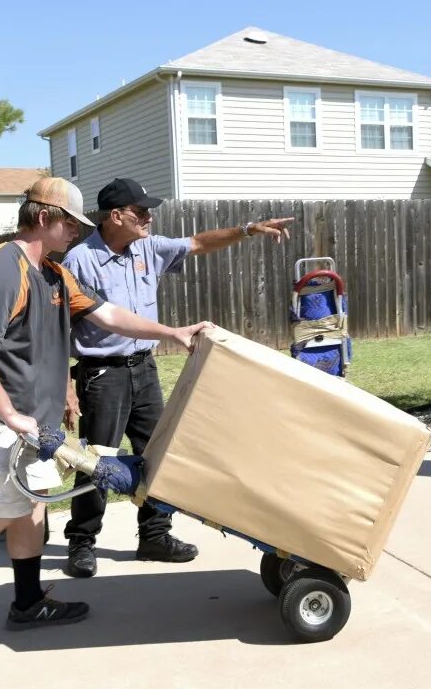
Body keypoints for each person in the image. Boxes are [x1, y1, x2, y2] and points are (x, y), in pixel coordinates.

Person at [0, 177, 210, 650]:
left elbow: (106, 315)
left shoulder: (51, 271)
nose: (76, 232)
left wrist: (173, 332)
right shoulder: (5, 269)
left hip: (29, 420)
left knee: (31, 505)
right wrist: (8, 412)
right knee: (1, 509)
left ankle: (27, 603)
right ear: (45, 217)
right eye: (71, 223)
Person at [61, 178, 293, 578]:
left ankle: (154, 535)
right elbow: (58, 326)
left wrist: (248, 230)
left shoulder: (147, 249)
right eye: (141, 212)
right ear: (115, 216)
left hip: (144, 370)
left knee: (158, 453)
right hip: (102, 374)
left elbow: (198, 243)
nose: (149, 218)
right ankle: (82, 542)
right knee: (96, 459)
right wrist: (65, 386)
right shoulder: (79, 260)